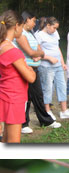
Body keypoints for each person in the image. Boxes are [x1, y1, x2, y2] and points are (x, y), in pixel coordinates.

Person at [15, 11, 61, 134]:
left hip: (34, 69)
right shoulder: (20, 33)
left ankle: (45, 121)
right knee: (26, 98)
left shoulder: (30, 33)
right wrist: (37, 54)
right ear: (27, 19)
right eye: (33, 21)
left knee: (37, 95)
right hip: (25, 69)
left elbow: (38, 49)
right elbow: (30, 52)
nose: (35, 23)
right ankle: (23, 123)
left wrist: (38, 54)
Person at [0, 10, 36, 143]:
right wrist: (31, 70)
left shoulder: (2, 45)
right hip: (14, 98)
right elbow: (31, 77)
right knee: (14, 142)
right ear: (16, 26)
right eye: (21, 26)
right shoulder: (13, 51)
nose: (22, 30)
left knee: (6, 138)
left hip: (6, 94)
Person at [35, 17, 69, 120]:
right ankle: (47, 111)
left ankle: (64, 110)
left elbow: (57, 48)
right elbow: (37, 52)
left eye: (56, 28)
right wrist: (49, 58)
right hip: (46, 67)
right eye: (54, 27)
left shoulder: (55, 33)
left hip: (58, 65)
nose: (55, 30)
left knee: (62, 86)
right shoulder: (39, 35)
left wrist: (62, 62)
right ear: (48, 25)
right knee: (48, 88)